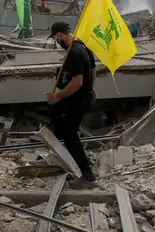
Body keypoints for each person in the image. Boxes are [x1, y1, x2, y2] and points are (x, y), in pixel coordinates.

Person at [46, 21, 97, 189]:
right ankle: (80, 165)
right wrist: (90, 88)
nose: (56, 41)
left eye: (55, 38)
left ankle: (87, 177)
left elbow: (77, 81)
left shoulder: (74, 53)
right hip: (83, 98)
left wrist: (57, 97)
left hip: (77, 101)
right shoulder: (83, 46)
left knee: (70, 135)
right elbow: (93, 71)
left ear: (59, 35)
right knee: (65, 130)